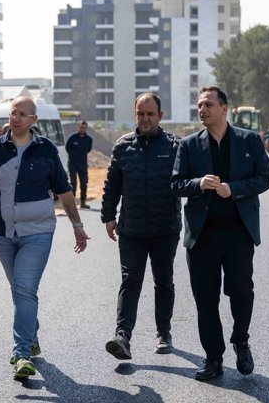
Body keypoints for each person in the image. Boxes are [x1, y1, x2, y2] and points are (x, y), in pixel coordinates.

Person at [0, 96, 90, 381]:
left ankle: (21, 354)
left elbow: (64, 191)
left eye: (21, 114)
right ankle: (31, 337)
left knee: (23, 288)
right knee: (22, 291)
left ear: (34, 120)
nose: (15, 118)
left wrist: (78, 225)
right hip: (3, 233)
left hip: (38, 232)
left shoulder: (45, 150)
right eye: (12, 113)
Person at [170, 86, 269, 381]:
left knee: (241, 291)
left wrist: (234, 189)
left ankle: (241, 340)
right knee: (206, 299)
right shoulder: (189, 145)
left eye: (208, 105)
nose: (202, 110)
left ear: (224, 108)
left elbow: (264, 178)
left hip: (239, 233)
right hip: (202, 236)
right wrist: (198, 183)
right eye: (200, 105)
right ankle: (213, 358)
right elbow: (175, 184)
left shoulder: (249, 140)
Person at [101, 93, 182, 360]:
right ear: (135, 115)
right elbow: (111, 185)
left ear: (160, 115)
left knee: (164, 282)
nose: (145, 118)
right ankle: (122, 336)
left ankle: (163, 333)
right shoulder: (122, 146)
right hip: (131, 230)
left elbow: (186, 183)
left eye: (150, 114)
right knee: (130, 281)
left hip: (165, 229)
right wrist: (108, 216)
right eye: (140, 114)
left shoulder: (174, 146)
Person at [66, 120, 93, 209]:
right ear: (78, 128)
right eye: (81, 127)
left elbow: (88, 150)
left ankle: (83, 202)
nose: (82, 129)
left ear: (86, 129)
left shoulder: (89, 139)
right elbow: (67, 148)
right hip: (72, 164)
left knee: (84, 183)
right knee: (73, 183)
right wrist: (74, 156)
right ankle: (72, 203)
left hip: (83, 164)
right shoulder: (72, 138)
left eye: (84, 128)